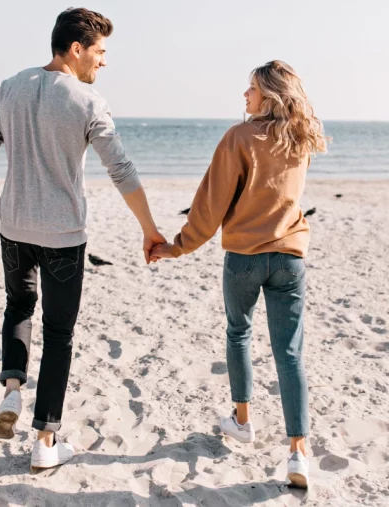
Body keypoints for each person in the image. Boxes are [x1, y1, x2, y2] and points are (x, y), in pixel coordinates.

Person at [0, 7, 165, 471]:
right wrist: (149, 229)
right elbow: (120, 170)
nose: (102, 62)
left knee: (18, 308)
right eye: (100, 52)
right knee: (60, 333)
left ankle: (11, 391)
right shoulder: (89, 102)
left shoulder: (9, 89)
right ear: (76, 49)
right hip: (64, 235)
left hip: (13, 228)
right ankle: (46, 441)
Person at [151, 60, 328, 488]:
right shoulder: (300, 139)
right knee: (289, 353)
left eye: (250, 89)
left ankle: (243, 420)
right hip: (289, 258)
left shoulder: (239, 137)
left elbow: (210, 205)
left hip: (245, 258)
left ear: (268, 94)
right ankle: (298, 452)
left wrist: (178, 245)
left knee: (239, 334)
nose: (244, 96)